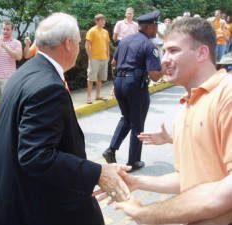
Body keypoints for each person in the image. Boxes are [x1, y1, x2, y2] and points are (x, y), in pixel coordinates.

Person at [0, 12, 131, 225]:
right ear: (68, 44)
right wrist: (98, 173)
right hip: (30, 206)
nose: (78, 48)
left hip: (8, 197)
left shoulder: (26, 71)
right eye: (77, 42)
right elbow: (36, 155)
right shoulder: (48, 86)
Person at [100, 17, 232, 224]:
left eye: (174, 51)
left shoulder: (227, 94)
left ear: (202, 53)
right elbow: (187, 178)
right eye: (164, 51)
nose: (163, 60)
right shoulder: (186, 108)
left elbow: (226, 192)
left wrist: (147, 214)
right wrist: (136, 181)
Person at [102, 10, 163, 171]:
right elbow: (155, 76)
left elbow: (114, 63)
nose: (157, 29)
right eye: (156, 25)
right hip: (135, 84)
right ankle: (133, 162)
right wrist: (166, 68)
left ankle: (111, 149)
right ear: (149, 27)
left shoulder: (125, 40)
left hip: (120, 82)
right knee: (137, 124)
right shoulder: (149, 45)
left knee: (127, 118)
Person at [0, 21, 22, 115]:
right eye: (3, 29)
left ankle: (8, 123)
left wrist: (6, 48)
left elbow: (18, 57)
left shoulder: (16, 43)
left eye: (7, 29)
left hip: (9, 78)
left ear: (12, 30)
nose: (5, 31)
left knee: (9, 103)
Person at [85, 14, 110, 104]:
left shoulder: (105, 32)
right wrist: (90, 57)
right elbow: (87, 45)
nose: (104, 22)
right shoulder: (92, 31)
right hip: (94, 58)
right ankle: (89, 97)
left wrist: (108, 56)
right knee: (91, 78)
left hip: (104, 58)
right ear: (97, 21)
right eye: (101, 20)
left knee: (100, 78)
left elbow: (107, 45)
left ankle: (98, 96)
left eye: (104, 20)